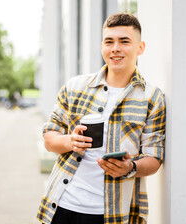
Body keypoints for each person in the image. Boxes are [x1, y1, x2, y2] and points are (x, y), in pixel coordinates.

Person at [37, 13, 166, 224]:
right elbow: (49, 139)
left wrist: (130, 168)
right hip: (61, 206)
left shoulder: (152, 98)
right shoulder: (75, 87)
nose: (115, 48)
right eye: (109, 41)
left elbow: (154, 159)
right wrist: (70, 141)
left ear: (140, 47)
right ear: (102, 46)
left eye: (124, 41)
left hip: (113, 215)